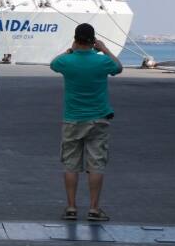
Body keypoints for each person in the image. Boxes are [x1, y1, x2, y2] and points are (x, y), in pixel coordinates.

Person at [50, 23, 123, 223]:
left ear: (75, 38)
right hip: (99, 119)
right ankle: (93, 208)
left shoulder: (67, 61)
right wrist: (105, 49)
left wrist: (71, 49)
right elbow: (118, 67)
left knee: (71, 165)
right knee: (96, 165)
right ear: (93, 40)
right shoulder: (102, 61)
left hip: (72, 119)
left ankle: (71, 207)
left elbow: (53, 63)